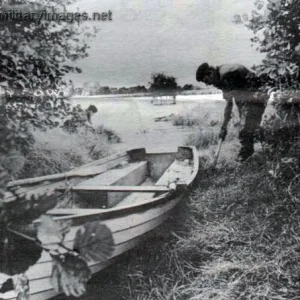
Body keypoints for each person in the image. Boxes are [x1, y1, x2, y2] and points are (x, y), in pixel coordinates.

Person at [196, 63, 269, 161]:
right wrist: (224, 127)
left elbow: (229, 104)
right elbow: (231, 101)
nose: (208, 84)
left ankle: (244, 157)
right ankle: (268, 145)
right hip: (247, 94)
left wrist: (224, 127)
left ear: (210, 73)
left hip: (257, 94)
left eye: (206, 81)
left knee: (246, 127)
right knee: (251, 126)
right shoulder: (221, 76)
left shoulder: (227, 75)